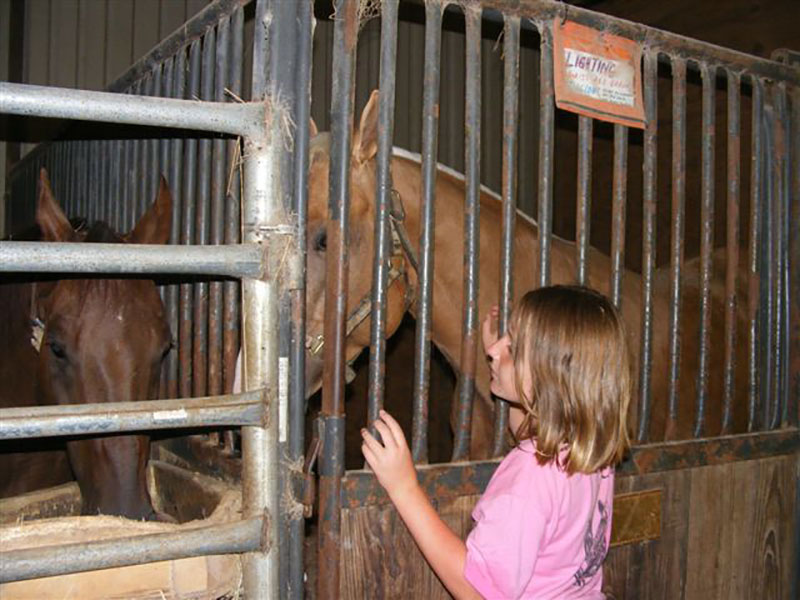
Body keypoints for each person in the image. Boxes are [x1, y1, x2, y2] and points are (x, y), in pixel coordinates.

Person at [361, 285, 632, 599]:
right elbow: (531, 425)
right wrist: (506, 370)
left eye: (513, 347)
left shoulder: (530, 476)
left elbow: (477, 591)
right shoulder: (589, 450)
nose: (493, 349)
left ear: (550, 377)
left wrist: (404, 488)